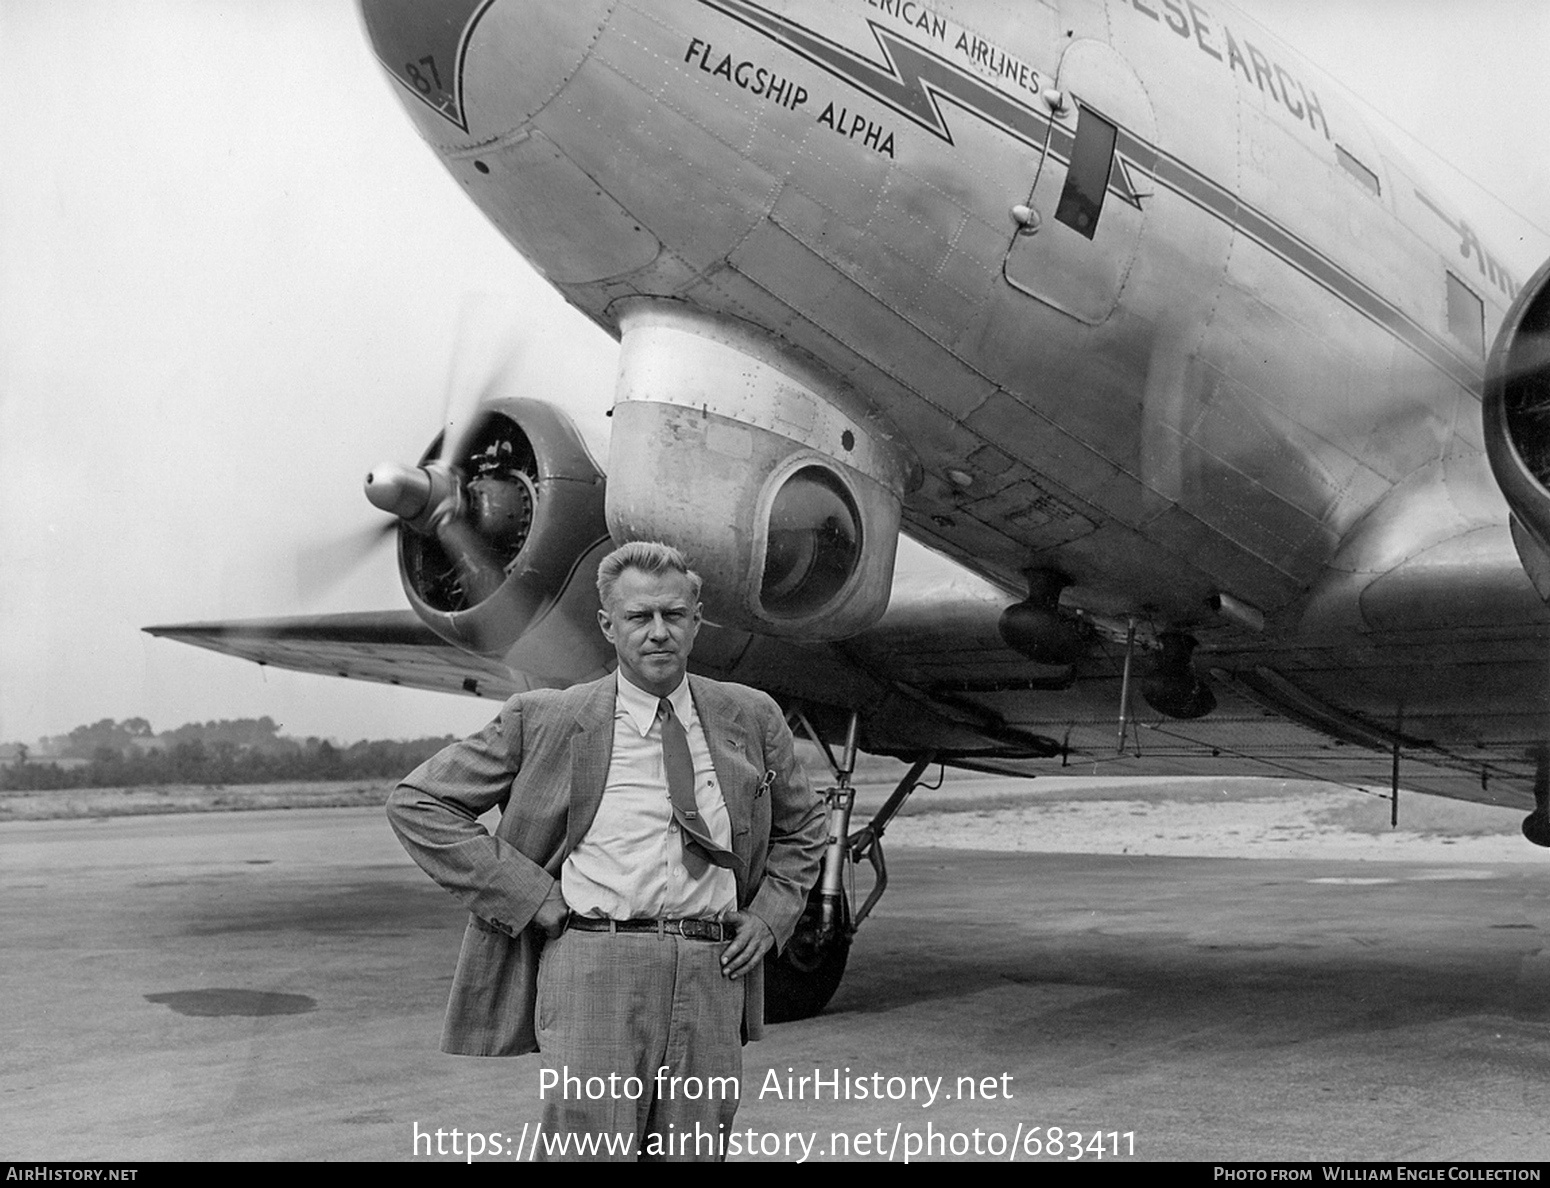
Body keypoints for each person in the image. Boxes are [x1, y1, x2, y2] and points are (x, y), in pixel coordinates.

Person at [388, 540, 826, 1161]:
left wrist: (773, 914)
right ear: (608, 626)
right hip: (596, 964)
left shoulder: (751, 716)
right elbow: (419, 803)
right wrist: (529, 894)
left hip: (713, 968)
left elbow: (805, 824)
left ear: (697, 622)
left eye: (674, 616)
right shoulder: (545, 719)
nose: (658, 633)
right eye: (638, 617)